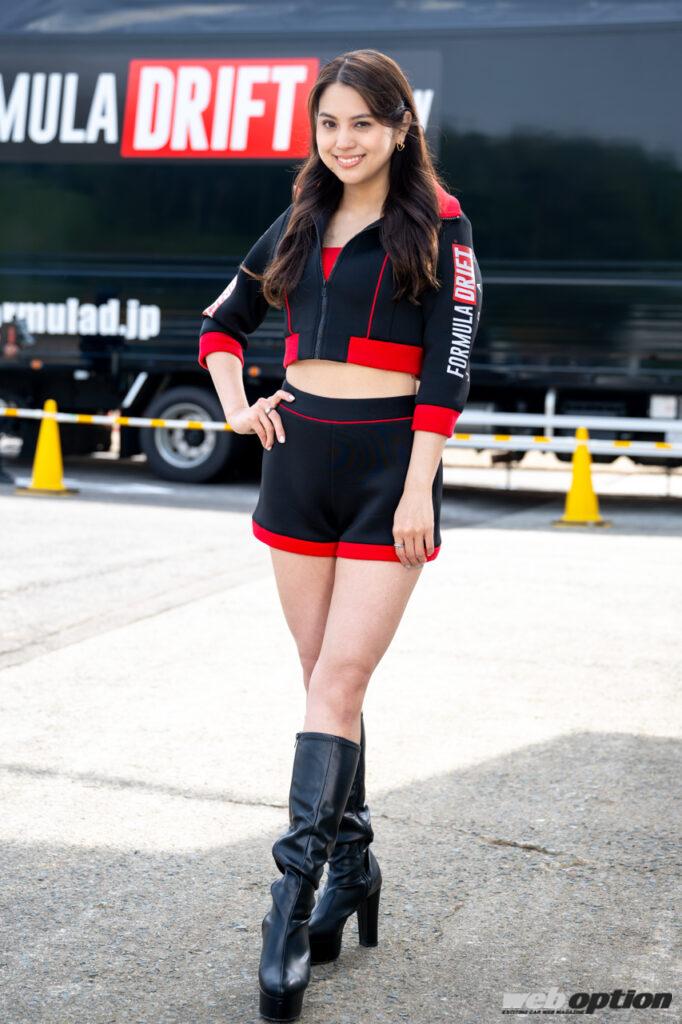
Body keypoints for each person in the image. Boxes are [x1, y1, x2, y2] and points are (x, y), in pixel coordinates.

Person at [198, 48, 482, 1022]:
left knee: (339, 680)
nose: (344, 140)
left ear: (401, 127)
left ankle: (288, 905)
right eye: (329, 123)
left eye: (363, 122)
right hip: (297, 461)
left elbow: (449, 365)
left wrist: (418, 486)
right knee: (322, 676)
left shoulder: (440, 223)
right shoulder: (300, 219)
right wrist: (236, 408)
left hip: (386, 471)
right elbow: (222, 325)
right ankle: (353, 867)